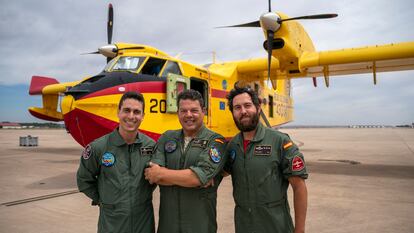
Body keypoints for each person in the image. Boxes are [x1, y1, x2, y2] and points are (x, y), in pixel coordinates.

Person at [224, 85, 308, 233]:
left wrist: (299, 230)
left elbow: (299, 186)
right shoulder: (232, 146)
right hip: (244, 227)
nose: (243, 111)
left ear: (258, 108)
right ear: (232, 113)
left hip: (276, 226)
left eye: (247, 105)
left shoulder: (280, 142)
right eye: (237, 107)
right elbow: (221, 172)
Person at [144, 89, 227, 233]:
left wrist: (163, 173)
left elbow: (197, 177)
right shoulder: (167, 138)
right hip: (168, 226)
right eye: (183, 111)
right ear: (178, 113)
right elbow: (152, 175)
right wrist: (192, 178)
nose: (188, 115)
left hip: (200, 225)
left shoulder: (216, 141)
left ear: (204, 111)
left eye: (194, 110)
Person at [76, 91, 156, 233]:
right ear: (118, 112)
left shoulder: (151, 146)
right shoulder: (98, 147)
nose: (131, 116)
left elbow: (160, 175)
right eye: (126, 110)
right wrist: (105, 201)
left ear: (143, 116)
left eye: (137, 112)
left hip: (143, 223)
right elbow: (83, 180)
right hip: (112, 224)